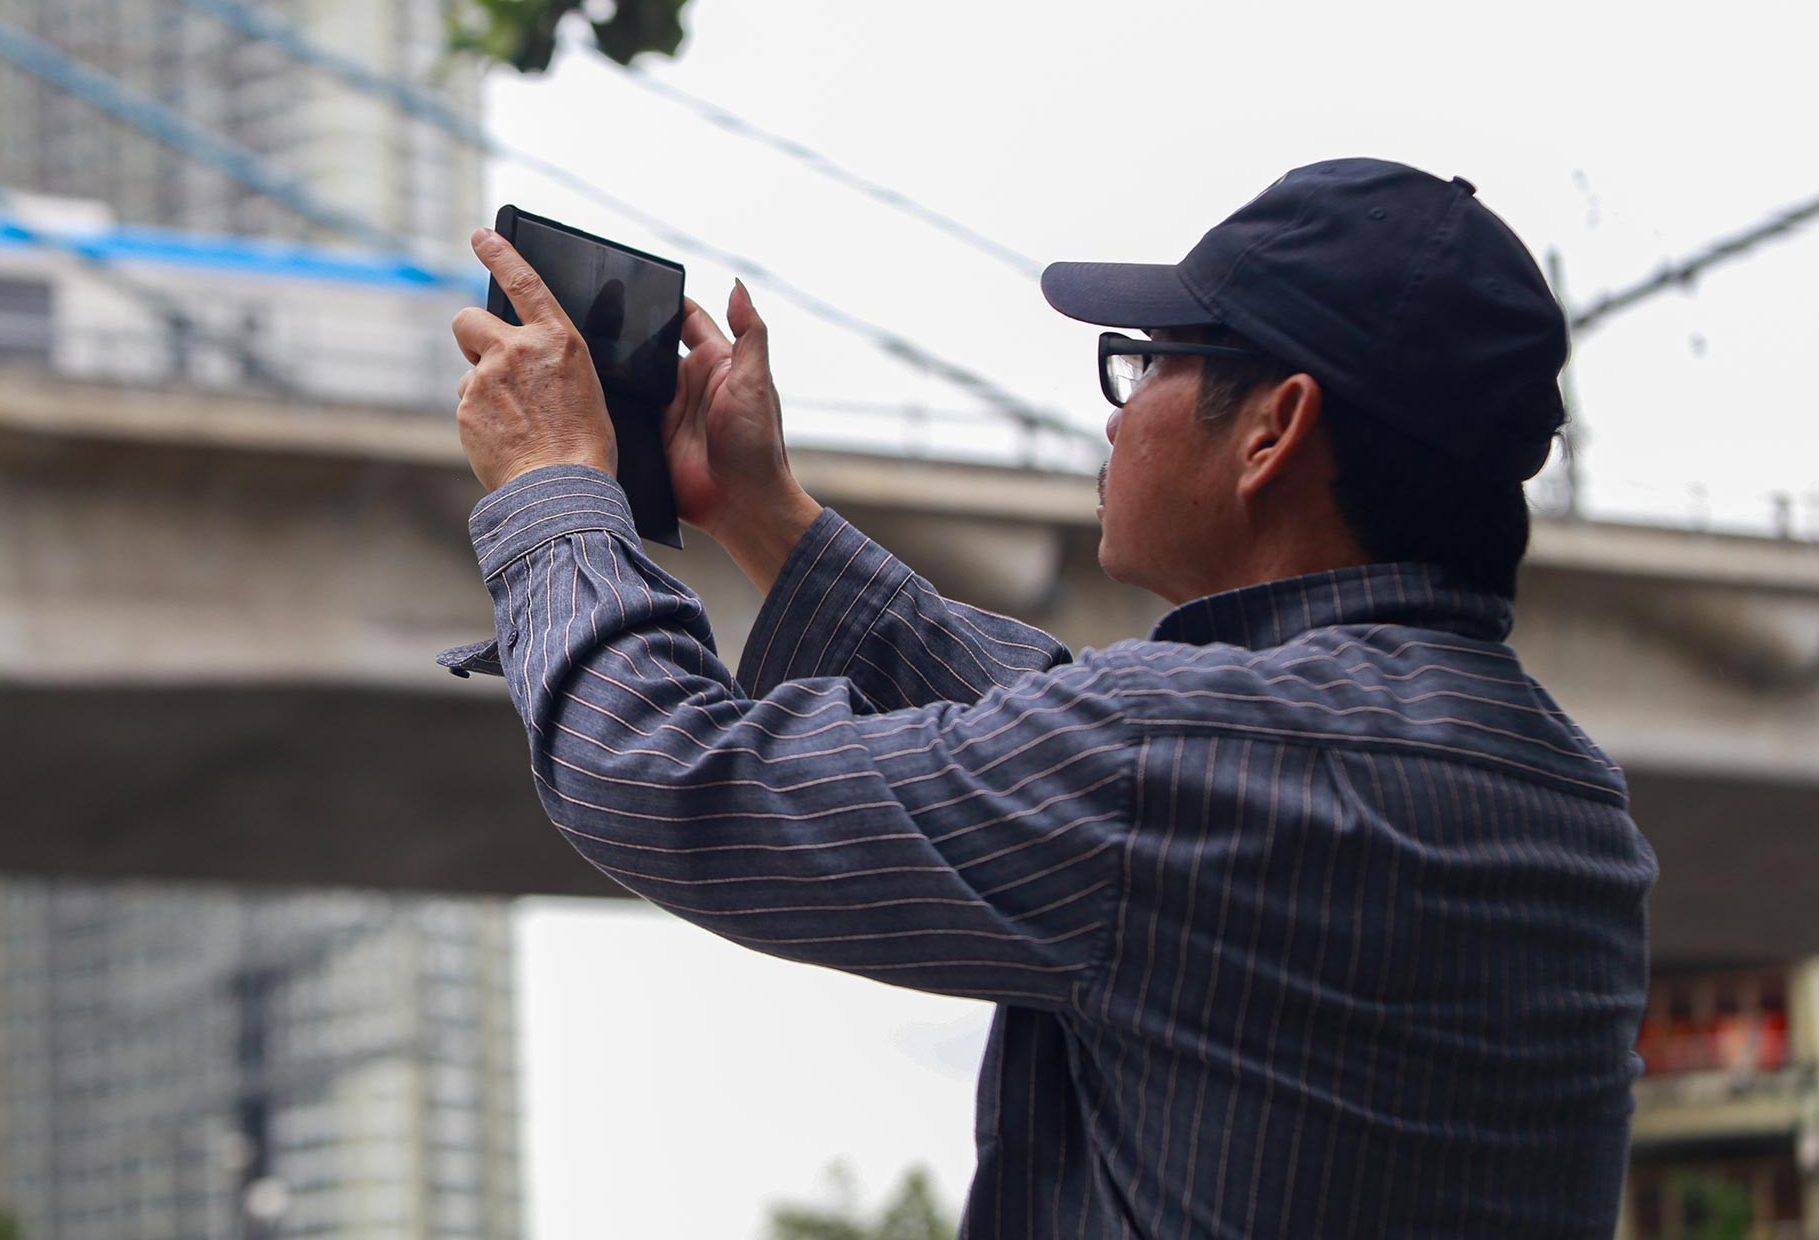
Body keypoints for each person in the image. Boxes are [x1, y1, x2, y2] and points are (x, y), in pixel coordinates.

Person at [444, 157, 1655, 1239]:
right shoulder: (1567, 794)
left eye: (1148, 364)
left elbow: (661, 773)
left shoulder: (1171, 763)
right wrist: (762, 514)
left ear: (1273, 429)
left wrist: (554, 485)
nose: (1119, 413)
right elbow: (1066, 733)